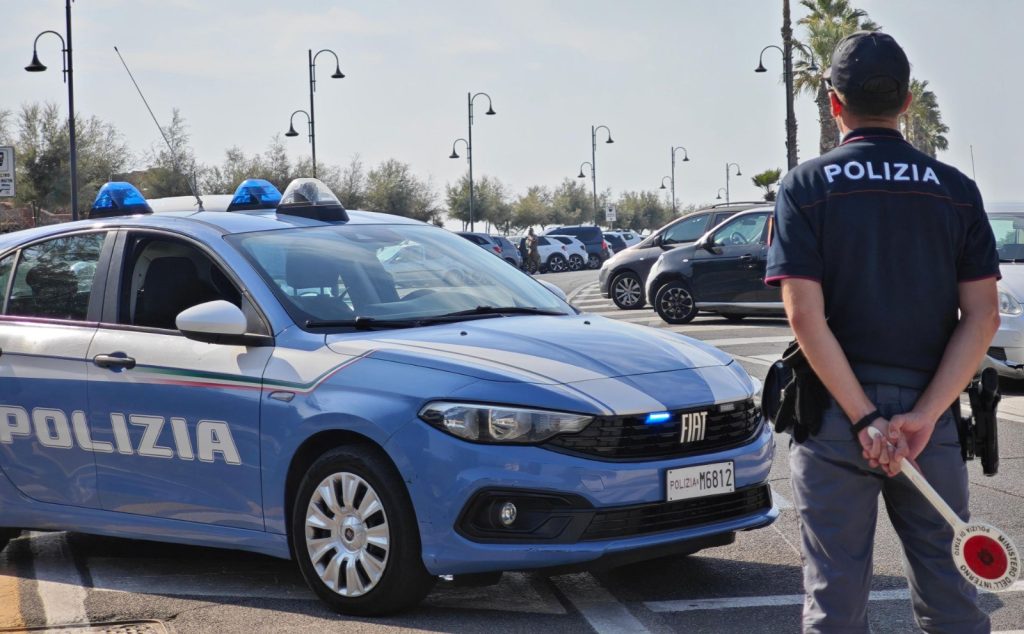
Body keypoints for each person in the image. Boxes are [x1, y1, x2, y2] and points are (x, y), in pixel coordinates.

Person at [765, 31, 999, 634]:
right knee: (951, 598)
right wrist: (923, 415)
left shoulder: (805, 187)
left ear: (834, 103)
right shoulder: (956, 190)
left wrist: (865, 417)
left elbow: (804, 316)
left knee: (835, 602)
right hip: (930, 422)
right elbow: (983, 317)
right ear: (907, 102)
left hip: (834, 419)